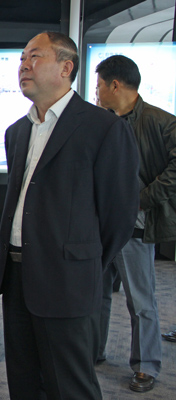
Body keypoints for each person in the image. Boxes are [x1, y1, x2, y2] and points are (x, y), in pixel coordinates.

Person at [0, 32, 139, 399]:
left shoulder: (103, 128)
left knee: (70, 385)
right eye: (21, 58)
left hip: (66, 281)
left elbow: (119, 215)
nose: (23, 65)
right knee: (24, 381)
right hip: (16, 276)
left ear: (65, 67)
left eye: (35, 56)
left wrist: (81, 263)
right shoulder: (18, 131)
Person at [95, 54, 176, 392]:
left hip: (136, 225)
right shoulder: (100, 121)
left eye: (99, 86)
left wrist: (141, 200)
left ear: (115, 85)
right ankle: (94, 351)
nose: (96, 92)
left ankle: (146, 366)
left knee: (140, 300)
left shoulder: (161, 122)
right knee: (96, 295)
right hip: (99, 224)